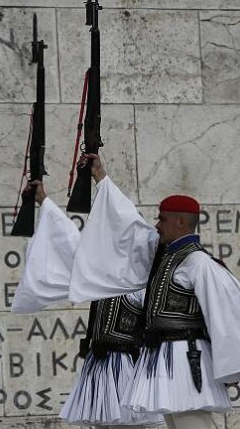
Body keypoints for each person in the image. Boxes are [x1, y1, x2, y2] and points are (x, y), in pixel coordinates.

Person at [68, 153, 240, 429]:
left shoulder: (199, 263)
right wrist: (101, 178)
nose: (156, 225)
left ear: (180, 222)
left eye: (162, 219)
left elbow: (229, 314)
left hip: (187, 361)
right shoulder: (164, 257)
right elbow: (128, 224)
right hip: (165, 361)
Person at [11, 181, 163, 428]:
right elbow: (68, 240)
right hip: (100, 365)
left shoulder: (144, 277)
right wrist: (43, 201)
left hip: (129, 365)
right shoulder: (99, 272)